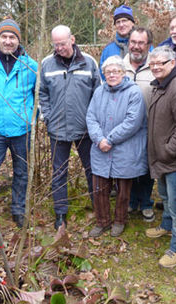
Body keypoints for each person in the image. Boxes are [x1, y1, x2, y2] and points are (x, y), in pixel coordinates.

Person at [0, 17, 38, 228]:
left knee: (22, 172)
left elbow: (37, 95)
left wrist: (32, 116)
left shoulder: (30, 66)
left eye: (12, 37)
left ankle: (18, 210)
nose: (8, 41)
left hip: (22, 129)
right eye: (4, 36)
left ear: (18, 40)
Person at [40, 25, 100, 229]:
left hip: (85, 129)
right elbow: (42, 94)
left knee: (92, 169)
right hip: (57, 129)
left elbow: (97, 94)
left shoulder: (89, 62)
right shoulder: (47, 64)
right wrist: (47, 117)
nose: (59, 48)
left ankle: (98, 207)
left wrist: (93, 122)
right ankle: (60, 214)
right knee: (58, 172)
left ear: (72, 39)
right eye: (55, 45)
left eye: (63, 44)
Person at [86, 56, 147, 237]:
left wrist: (110, 140)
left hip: (124, 149)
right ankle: (102, 221)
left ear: (123, 72)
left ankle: (120, 220)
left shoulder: (134, 92)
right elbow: (91, 117)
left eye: (116, 71)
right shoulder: (99, 92)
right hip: (100, 148)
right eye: (108, 72)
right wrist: (99, 139)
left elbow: (132, 122)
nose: (112, 75)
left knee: (123, 190)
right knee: (100, 188)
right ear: (103, 74)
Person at [145, 46, 176, 268]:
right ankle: (166, 225)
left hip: (172, 160)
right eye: (152, 64)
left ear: (172, 63)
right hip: (160, 158)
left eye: (159, 63)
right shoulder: (159, 86)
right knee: (164, 197)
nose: (155, 67)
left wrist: (169, 151)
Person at [123, 27, 155, 222]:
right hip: (125, 127)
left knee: (147, 167)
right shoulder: (120, 65)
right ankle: (130, 201)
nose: (136, 46)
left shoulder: (156, 65)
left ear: (148, 45)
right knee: (128, 165)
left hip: (150, 125)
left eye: (141, 43)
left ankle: (145, 202)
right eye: (133, 42)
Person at [100, 5, 136, 69]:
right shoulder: (108, 50)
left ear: (132, 23)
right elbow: (102, 73)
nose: (121, 25)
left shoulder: (144, 45)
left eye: (124, 20)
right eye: (118, 22)